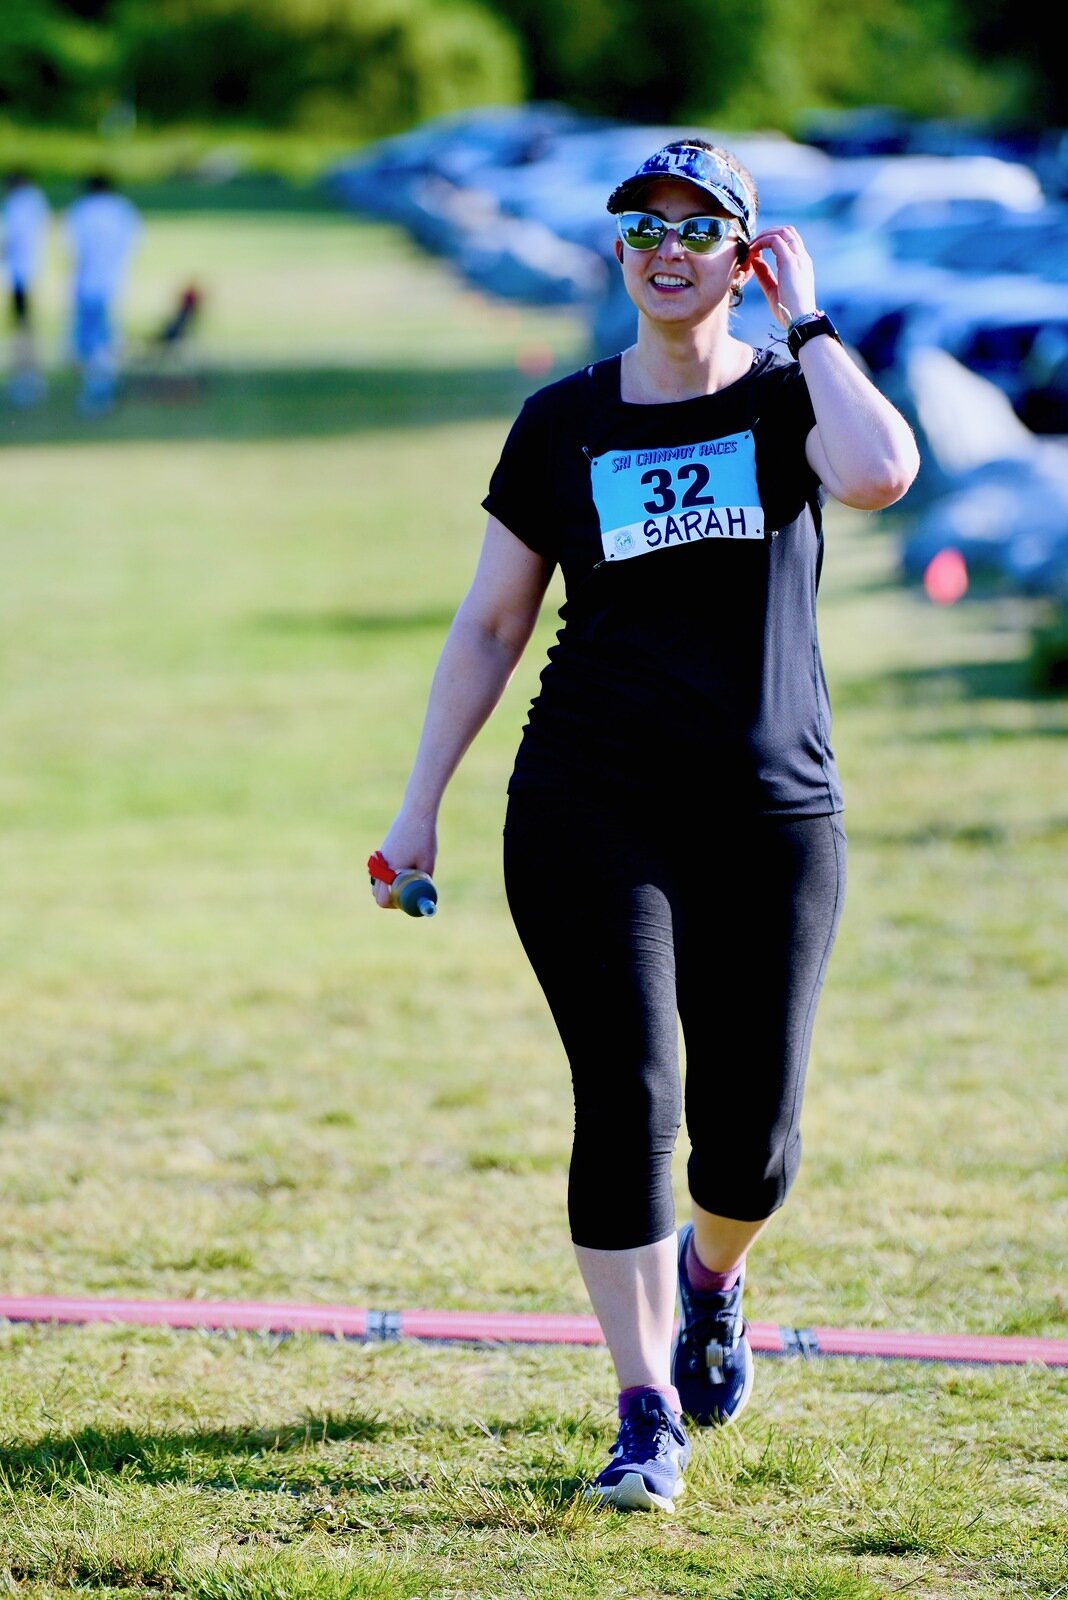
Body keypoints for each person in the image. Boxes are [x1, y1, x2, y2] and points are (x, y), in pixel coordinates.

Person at [370, 138, 920, 1513]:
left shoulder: (793, 396)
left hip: (772, 810)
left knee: (753, 1142)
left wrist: (810, 319)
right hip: (590, 798)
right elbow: (492, 623)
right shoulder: (561, 422)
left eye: (698, 228)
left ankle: (711, 1280)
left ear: (745, 251)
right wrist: (419, 804)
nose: (668, 250)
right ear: (619, 251)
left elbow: (880, 476)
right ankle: (643, 1406)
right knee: (630, 1098)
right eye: (643, 227)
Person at [64, 172, 142, 414]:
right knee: (106, 339)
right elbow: (133, 243)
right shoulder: (123, 210)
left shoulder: (81, 210)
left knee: (91, 342)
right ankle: (103, 388)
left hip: (87, 283)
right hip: (114, 283)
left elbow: (73, 249)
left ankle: (98, 393)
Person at [2, 169, 51, 406]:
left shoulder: (18, 204)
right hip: (31, 269)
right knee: (25, 324)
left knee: (23, 326)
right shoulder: (35, 200)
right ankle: (29, 375)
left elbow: (9, 238)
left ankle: (27, 377)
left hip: (19, 272)